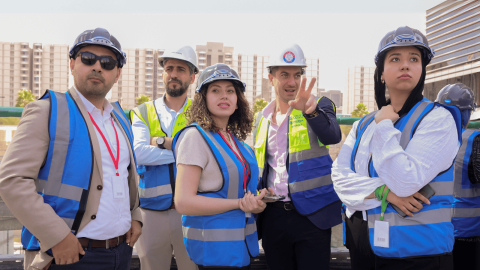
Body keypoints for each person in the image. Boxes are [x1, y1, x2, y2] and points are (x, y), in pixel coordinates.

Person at [0, 28, 142, 270]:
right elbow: (12, 181)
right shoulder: (46, 111)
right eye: (88, 58)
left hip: (121, 252)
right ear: (72, 64)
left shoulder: (120, 118)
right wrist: (57, 237)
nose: (98, 66)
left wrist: (135, 215)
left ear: (117, 74)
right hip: (68, 254)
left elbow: (124, 176)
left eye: (108, 63)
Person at [332, 26, 462, 270]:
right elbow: (339, 179)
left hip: (417, 251)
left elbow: (406, 180)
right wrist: (384, 192)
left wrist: (383, 128)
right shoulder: (363, 123)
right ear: (381, 73)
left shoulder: (438, 119)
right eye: (395, 59)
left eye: (414, 59)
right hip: (363, 246)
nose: (405, 65)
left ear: (422, 70)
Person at [252, 44, 342, 270]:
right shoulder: (261, 119)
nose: (292, 82)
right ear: (271, 78)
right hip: (273, 216)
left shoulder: (319, 105)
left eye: (297, 75)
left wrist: (309, 112)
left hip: (313, 216)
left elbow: (332, 135)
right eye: (284, 75)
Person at [173, 63, 270, 270]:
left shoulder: (238, 143)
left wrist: (257, 203)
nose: (224, 96)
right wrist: (239, 204)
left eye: (230, 91)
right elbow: (183, 202)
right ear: (203, 99)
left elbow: (241, 191)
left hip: (240, 249)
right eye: (215, 90)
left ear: (238, 102)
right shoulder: (195, 137)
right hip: (214, 255)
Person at [130, 46, 198, 270]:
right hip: (150, 214)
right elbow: (138, 153)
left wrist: (158, 141)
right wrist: (185, 153)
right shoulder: (143, 111)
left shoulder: (201, 112)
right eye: (169, 68)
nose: (174, 74)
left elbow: (207, 153)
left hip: (191, 211)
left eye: (181, 69)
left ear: (192, 76)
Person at [436, 83, 480, 270]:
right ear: (468, 114)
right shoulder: (474, 140)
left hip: (435, 230)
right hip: (469, 231)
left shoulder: (425, 137)